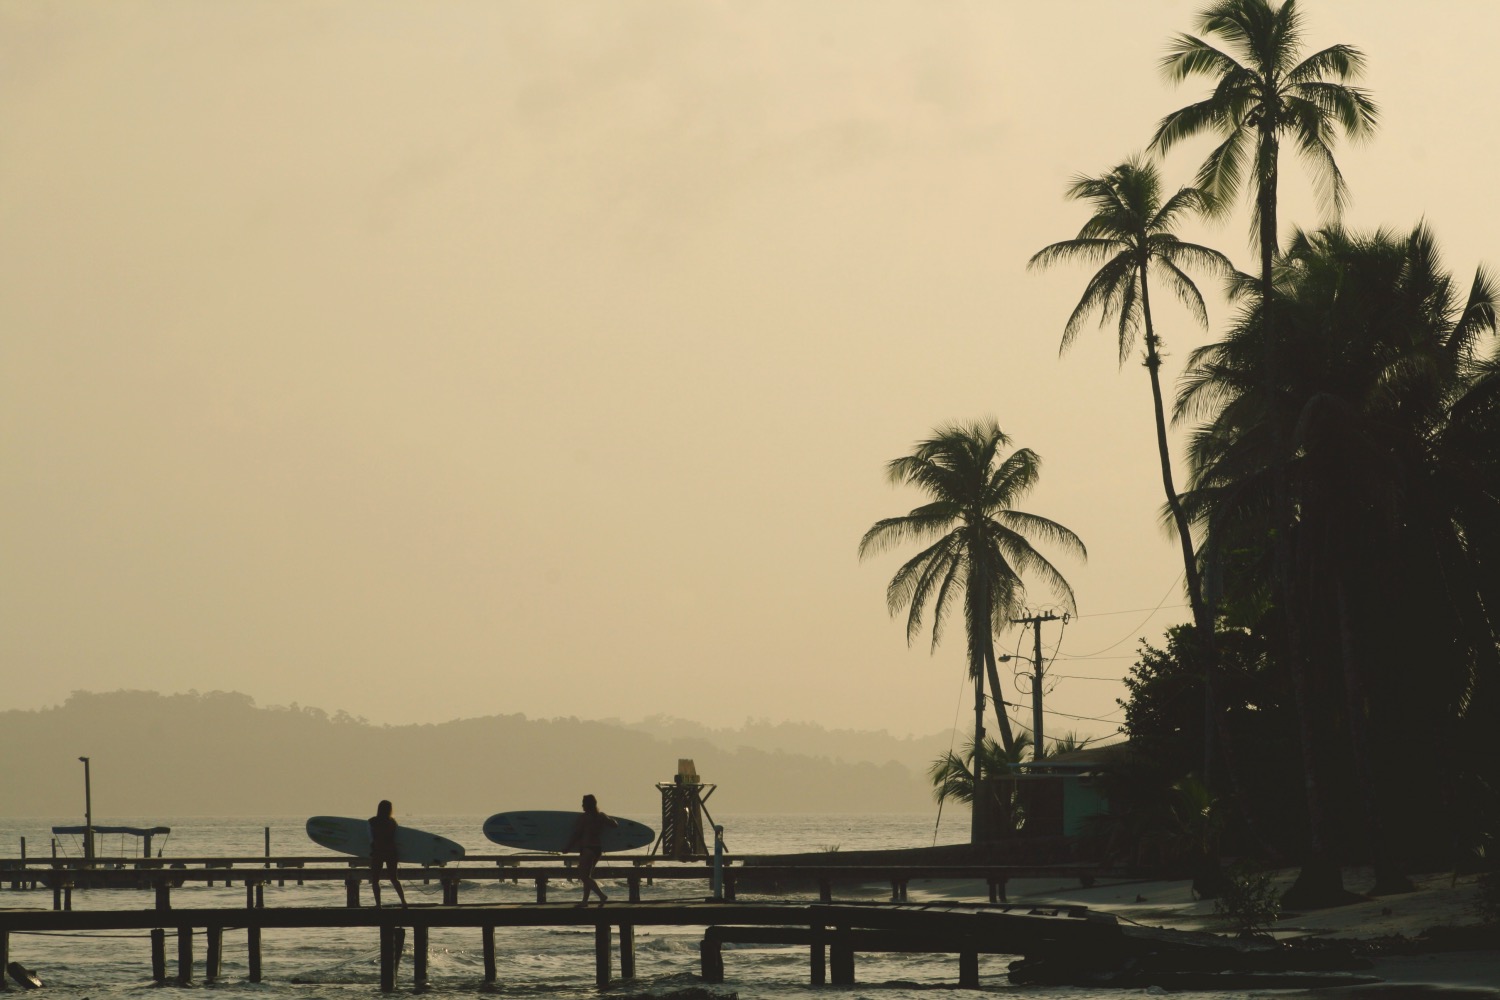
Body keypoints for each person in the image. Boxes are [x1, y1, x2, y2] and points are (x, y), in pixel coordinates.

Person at [564, 794, 617, 904]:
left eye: (583, 803)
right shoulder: (601, 816)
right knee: (587, 877)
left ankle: (602, 896)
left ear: (587, 805)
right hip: (597, 849)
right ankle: (585, 901)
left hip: (587, 849)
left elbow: (577, 834)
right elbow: (614, 824)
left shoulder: (584, 818)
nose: (582, 805)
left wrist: (567, 847)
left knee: (583, 876)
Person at [367, 799, 407, 908]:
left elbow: (371, 839)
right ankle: (403, 902)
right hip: (391, 852)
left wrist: (371, 851)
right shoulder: (393, 822)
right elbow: (398, 837)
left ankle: (378, 904)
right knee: (394, 879)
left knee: (375, 880)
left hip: (378, 852)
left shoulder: (371, 822)